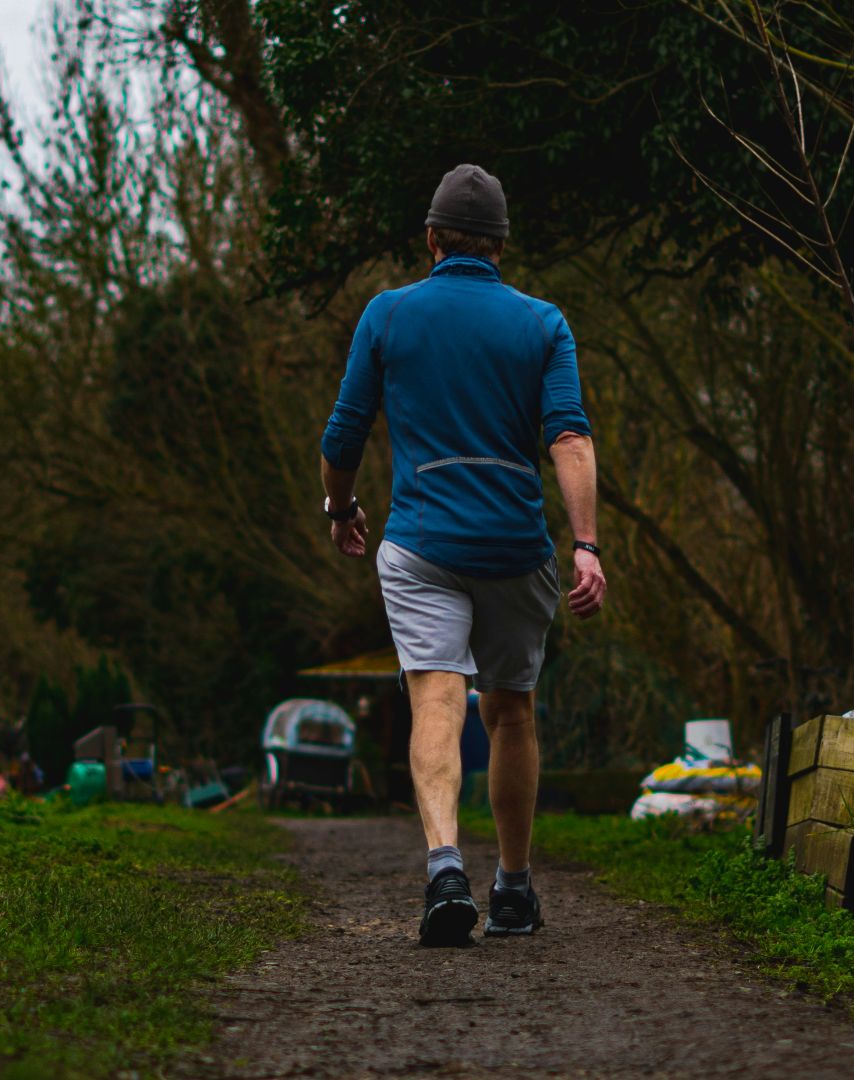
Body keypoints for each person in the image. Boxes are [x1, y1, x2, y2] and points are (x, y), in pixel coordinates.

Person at [319, 163, 607, 946]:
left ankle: (445, 866)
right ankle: (512, 889)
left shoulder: (387, 314)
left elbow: (343, 435)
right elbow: (570, 437)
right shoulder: (544, 323)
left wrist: (341, 508)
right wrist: (585, 545)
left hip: (421, 546)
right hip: (515, 546)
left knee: (436, 702)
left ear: (431, 239)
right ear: (502, 247)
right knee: (511, 711)